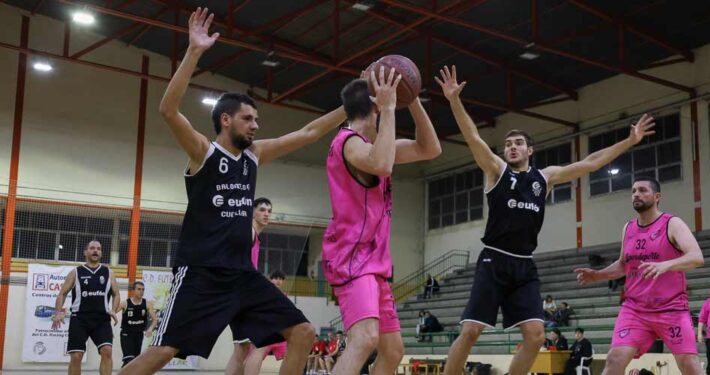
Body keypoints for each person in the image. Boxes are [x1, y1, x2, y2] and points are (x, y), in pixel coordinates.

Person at [121, 8, 346, 374]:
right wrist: (194, 52)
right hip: (201, 274)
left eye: (257, 119)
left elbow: (308, 134)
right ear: (226, 119)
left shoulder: (255, 156)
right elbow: (167, 109)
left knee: (303, 332)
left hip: (242, 275)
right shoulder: (203, 152)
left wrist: (347, 107)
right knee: (162, 353)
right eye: (248, 118)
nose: (256, 125)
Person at [434, 65, 656, 375]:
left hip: (524, 264)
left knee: (537, 336)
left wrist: (629, 142)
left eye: (518, 143)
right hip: (494, 260)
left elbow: (590, 163)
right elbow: (472, 137)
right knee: (471, 331)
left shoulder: (545, 177)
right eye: (508, 144)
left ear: (530, 150)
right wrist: (454, 100)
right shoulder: (496, 171)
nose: (512, 147)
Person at [322, 66, 441, 375]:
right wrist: (389, 107)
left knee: (393, 350)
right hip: (351, 256)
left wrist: (411, 98)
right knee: (364, 339)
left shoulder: (376, 146)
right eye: (386, 106)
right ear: (375, 108)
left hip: (375, 264)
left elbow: (430, 148)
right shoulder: (349, 143)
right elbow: (383, 165)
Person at [574, 177, 705, 375]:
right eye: (633, 190)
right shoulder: (628, 228)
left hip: (671, 308)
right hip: (635, 309)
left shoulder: (672, 223)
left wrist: (666, 265)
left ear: (657, 196)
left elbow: (697, 257)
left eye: (642, 190)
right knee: (614, 359)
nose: (636, 194)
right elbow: (623, 264)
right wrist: (597, 275)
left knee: (690, 365)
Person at [52, 240, 120, 375]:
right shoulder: (76, 272)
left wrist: (113, 309)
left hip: (101, 320)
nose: (96, 251)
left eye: (99, 249)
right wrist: (58, 311)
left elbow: (116, 294)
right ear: (85, 252)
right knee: (76, 356)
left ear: (101, 253)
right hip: (80, 319)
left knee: (107, 351)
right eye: (92, 248)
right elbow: (62, 294)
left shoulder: (108, 272)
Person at [225, 197, 273, 375]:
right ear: (252, 212)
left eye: (269, 211)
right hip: (240, 296)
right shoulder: (249, 233)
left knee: (243, 348)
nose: (266, 214)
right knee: (258, 344)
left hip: (240, 296)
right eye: (262, 210)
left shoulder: (255, 235)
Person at [119, 281, 158, 367]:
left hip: (139, 335)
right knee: (129, 360)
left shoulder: (147, 304)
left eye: (143, 289)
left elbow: (155, 319)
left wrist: (150, 329)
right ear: (133, 290)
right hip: (126, 335)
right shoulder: (125, 303)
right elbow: (112, 313)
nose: (141, 291)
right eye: (139, 289)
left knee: (135, 362)